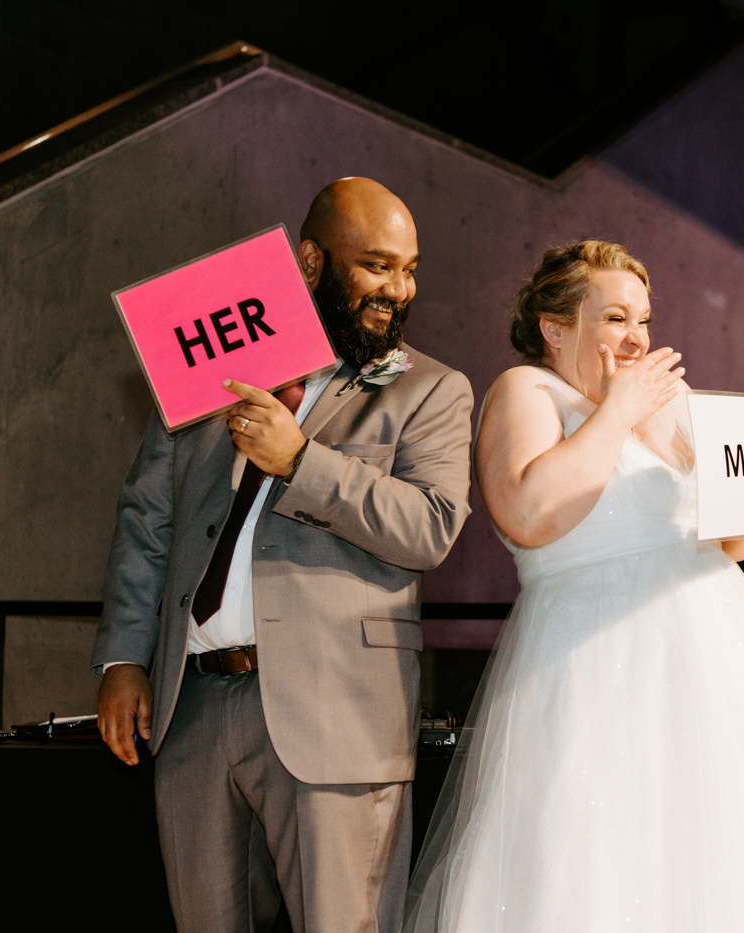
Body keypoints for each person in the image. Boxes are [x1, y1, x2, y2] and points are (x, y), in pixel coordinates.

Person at [404, 241, 744, 932]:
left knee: (723, 860)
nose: (638, 337)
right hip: (594, 663)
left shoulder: (674, 399)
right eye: (617, 318)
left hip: (717, 664)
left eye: (645, 320)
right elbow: (529, 513)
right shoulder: (526, 391)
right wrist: (617, 411)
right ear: (555, 325)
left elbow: (728, 542)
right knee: (594, 857)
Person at [92, 177, 474, 933]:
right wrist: (123, 659)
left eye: (410, 268)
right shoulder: (214, 360)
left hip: (338, 715)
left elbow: (430, 526)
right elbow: (148, 515)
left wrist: (301, 460)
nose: (398, 288)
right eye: (375, 265)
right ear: (310, 260)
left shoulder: (430, 389)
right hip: (194, 706)